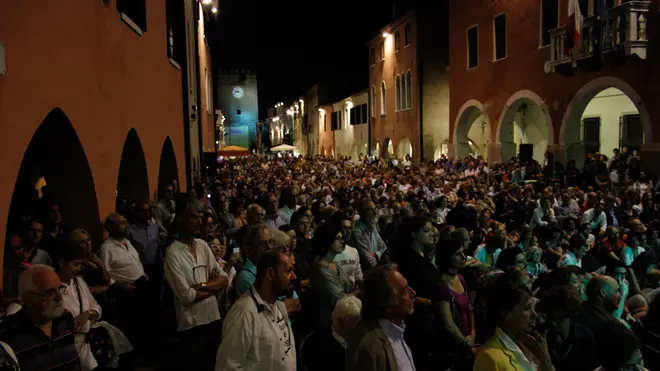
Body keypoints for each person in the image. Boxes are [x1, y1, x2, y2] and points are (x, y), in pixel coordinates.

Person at [164, 194, 229, 371]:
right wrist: (212, 286)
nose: (199, 222)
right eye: (194, 217)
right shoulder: (173, 252)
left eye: (200, 217)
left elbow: (224, 279)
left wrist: (201, 286)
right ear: (181, 218)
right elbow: (185, 296)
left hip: (213, 319)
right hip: (191, 326)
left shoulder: (202, 245)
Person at [215, 251, 297, 371]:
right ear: (270, 274)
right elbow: (227, 366)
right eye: (288, 271)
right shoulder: (243, 313)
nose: (294, 276)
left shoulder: (279, 306)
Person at [0, 264, 80, 371]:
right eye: (50, 292)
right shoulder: (7, 333)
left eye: (60, 289)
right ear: (28, 299)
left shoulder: (65, 318)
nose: (59, 297)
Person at [474, 274, 554, 371]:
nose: (534, 314)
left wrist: (546, 363)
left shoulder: (532, 348)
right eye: (527, 308)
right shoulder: (489, 357)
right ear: (506, 313)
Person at [346, 264, 416, 371]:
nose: (413, 293)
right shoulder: (368, 347)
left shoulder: (396, 331)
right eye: (405, 291)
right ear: (388, 306)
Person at [535, 285, 597, 371]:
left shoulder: (584, 337)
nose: (552, 324)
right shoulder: (538, 334)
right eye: (549, 318)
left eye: (558, 319)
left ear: (570, 316)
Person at [301, 295, 362, 371]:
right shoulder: (317, 347)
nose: (359, 330)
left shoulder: (358, 342)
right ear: (340, 322)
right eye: (355, 326)